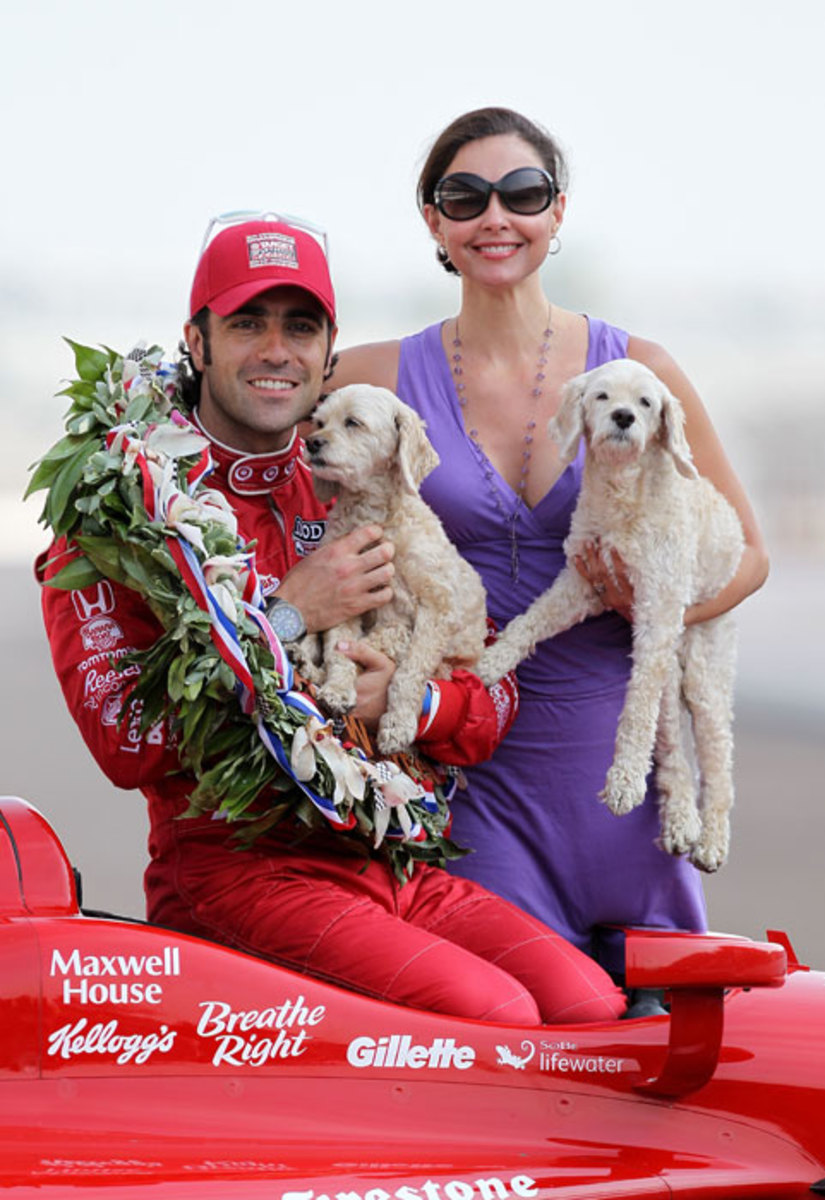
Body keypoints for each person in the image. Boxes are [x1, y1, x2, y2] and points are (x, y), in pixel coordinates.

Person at [37, 213, 625, 1025]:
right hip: (239, 874)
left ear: (328, 349)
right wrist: (282, 617)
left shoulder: (362, 479)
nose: (276, 349)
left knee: (590, 1004)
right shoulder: (122, 509)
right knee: (497, 1015)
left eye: (300, 326)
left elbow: (489, 699)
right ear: (197, 341)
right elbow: (124, 742)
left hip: (397, 861)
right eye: (247, 323)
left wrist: (413, 705)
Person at [330, 107, 770, 975]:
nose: (495, 217)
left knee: (651, 1048)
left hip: (625, 759)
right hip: (467, 756)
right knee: (515, 1033)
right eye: (465, 196)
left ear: (557, 212)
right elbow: (250, 428)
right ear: (433, 221)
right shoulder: (371, 374)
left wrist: (652, 605)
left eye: (521, 192)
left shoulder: (637, 369)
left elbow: (748, 554)